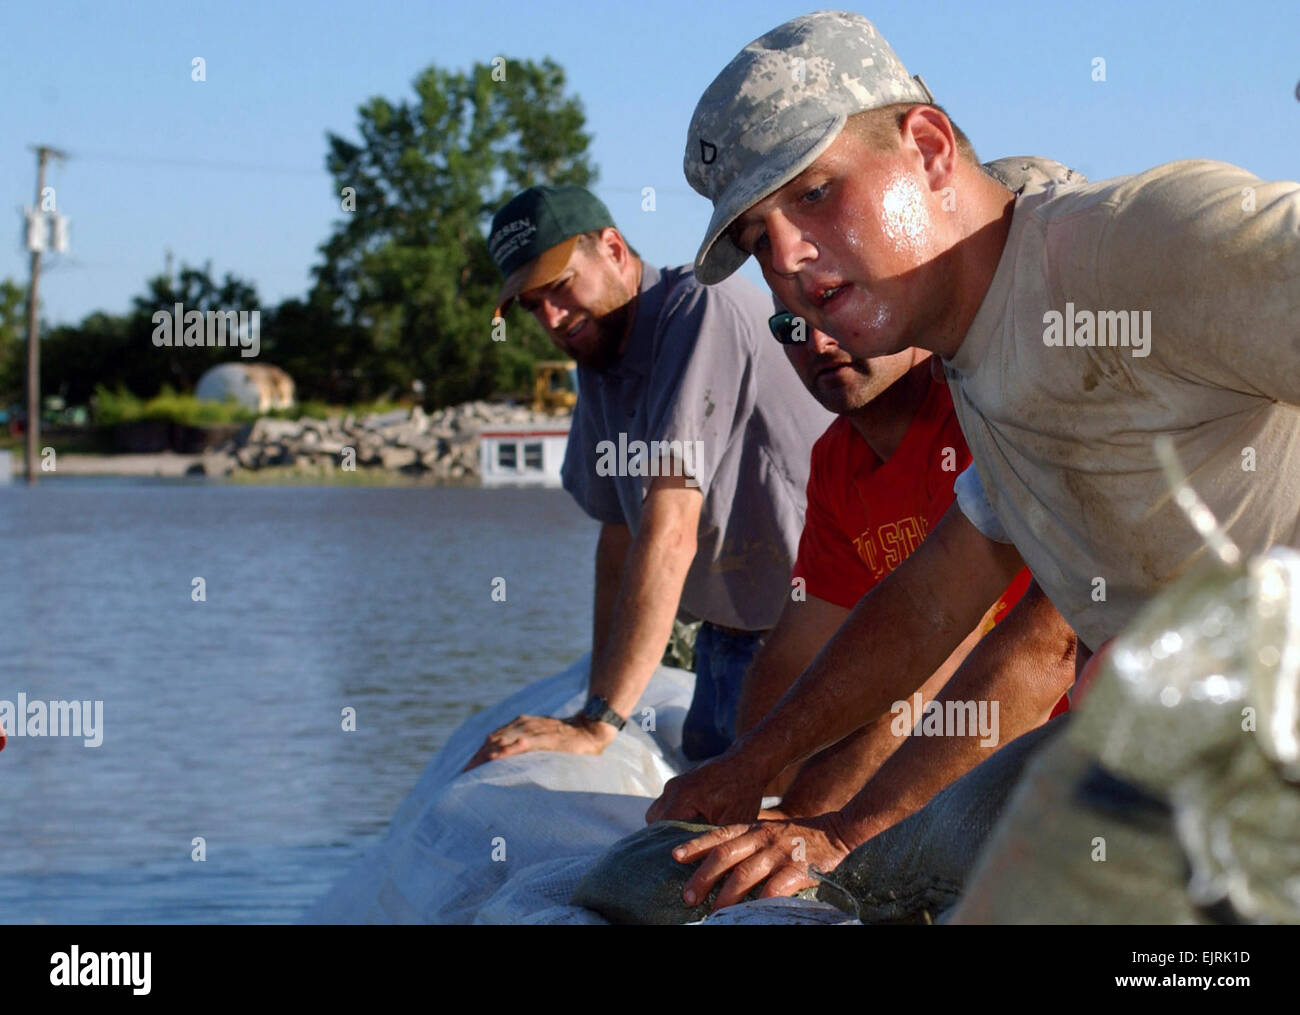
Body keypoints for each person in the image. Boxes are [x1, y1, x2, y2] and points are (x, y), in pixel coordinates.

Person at [647, 9, 1300, 911]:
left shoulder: (1132, 249)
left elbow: (1042, 647)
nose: (789, 259)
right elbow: (933, 593)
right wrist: (754, 764)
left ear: (927, 146)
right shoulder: (984, 357)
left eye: (814, 194)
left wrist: (842, 834)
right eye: (759, 238)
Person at [465, 184, 833, 769]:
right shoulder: (599, 352)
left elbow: (670, 529)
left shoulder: (699, 305)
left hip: (820, 635)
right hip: (726, 640)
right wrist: (595, 700)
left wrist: (599, 723)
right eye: (533, 307)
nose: (554, 319)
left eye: (559, 288)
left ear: (613, 247)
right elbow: (619, 537)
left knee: (786, 833)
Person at [739, 279, 1074, 822]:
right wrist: (746, 786)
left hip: (1063, 765)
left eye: (835, 309)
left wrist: (813, 818)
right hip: (954, 774)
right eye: (791, 327)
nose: (819, 343)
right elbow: (797, 647)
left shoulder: (980, 413)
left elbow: (949, 641)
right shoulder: (833, 461)